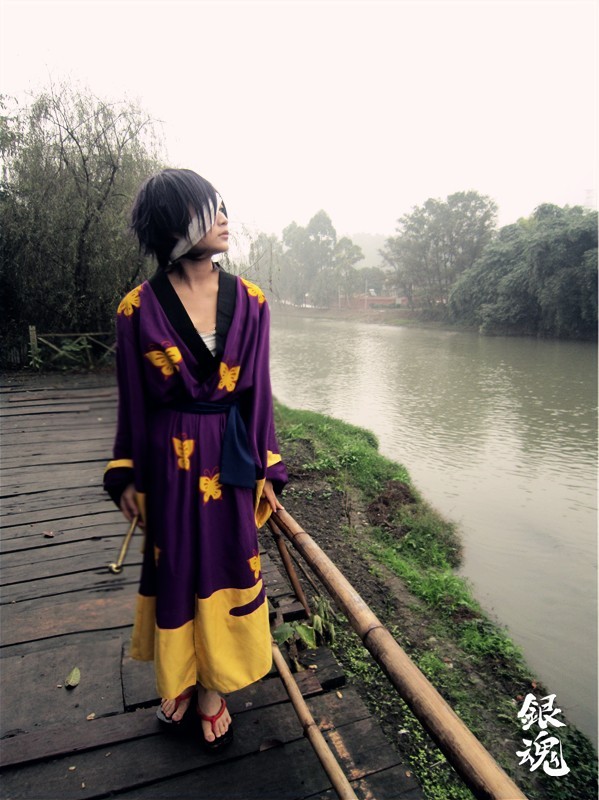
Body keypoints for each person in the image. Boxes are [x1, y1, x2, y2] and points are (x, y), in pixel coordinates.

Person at [103, 168, 287, 750]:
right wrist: (126, 473)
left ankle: (213, 688)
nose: (225, 219)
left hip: (230, 460)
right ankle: (180, 676)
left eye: (223, 207)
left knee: (227, 563)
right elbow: (133, 400)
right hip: (170, 462)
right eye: (209, 211)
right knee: (176, 565)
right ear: (174, 227)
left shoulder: (251, 302)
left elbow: (257, 391)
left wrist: (267, 467)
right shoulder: (137, 309)